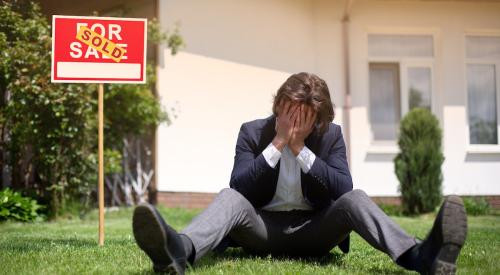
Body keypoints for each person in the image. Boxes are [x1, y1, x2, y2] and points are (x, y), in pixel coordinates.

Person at [132, 72, 468, 275]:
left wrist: (300, 149)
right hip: (262, 230)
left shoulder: (330, 135)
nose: (294, 122)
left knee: (356, 198)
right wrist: (278, 144)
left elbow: (342, 189)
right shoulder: (252, 132)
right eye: (289, 112)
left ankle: (421, 257)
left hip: (315, 231)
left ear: (318, 119)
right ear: (278, 105)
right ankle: (178, 250)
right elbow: (239, 186)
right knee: (229, 197)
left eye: (304, 116)